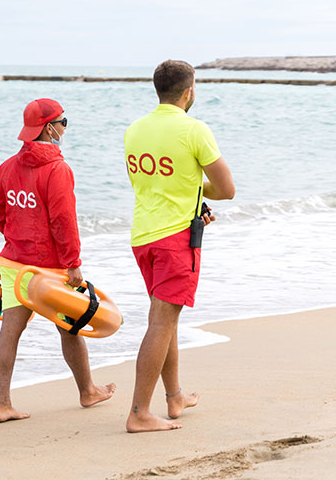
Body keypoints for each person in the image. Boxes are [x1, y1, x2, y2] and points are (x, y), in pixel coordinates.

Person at [123, 60, 235, 432]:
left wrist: (190, 195)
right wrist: (198, 192)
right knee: (161, 321)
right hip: (174, 241)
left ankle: (174, 398)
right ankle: (139, 412)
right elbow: (226, 189)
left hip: (143, 236)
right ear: (189, 92)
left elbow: (147, 183)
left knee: (163, 317)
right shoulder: (195, 129)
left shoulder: (134, 130)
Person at [0, 98, 116, 423]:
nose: (64, 128)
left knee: (10, 330)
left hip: (14, 265)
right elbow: (64, 221)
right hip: (49, 268)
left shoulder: (6, 168)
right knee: (70, 328)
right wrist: (73, 264)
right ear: (49, 128)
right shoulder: (58, 169)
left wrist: (17, 237)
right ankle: (87, 390)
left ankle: (2, 404)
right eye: (63, 122)